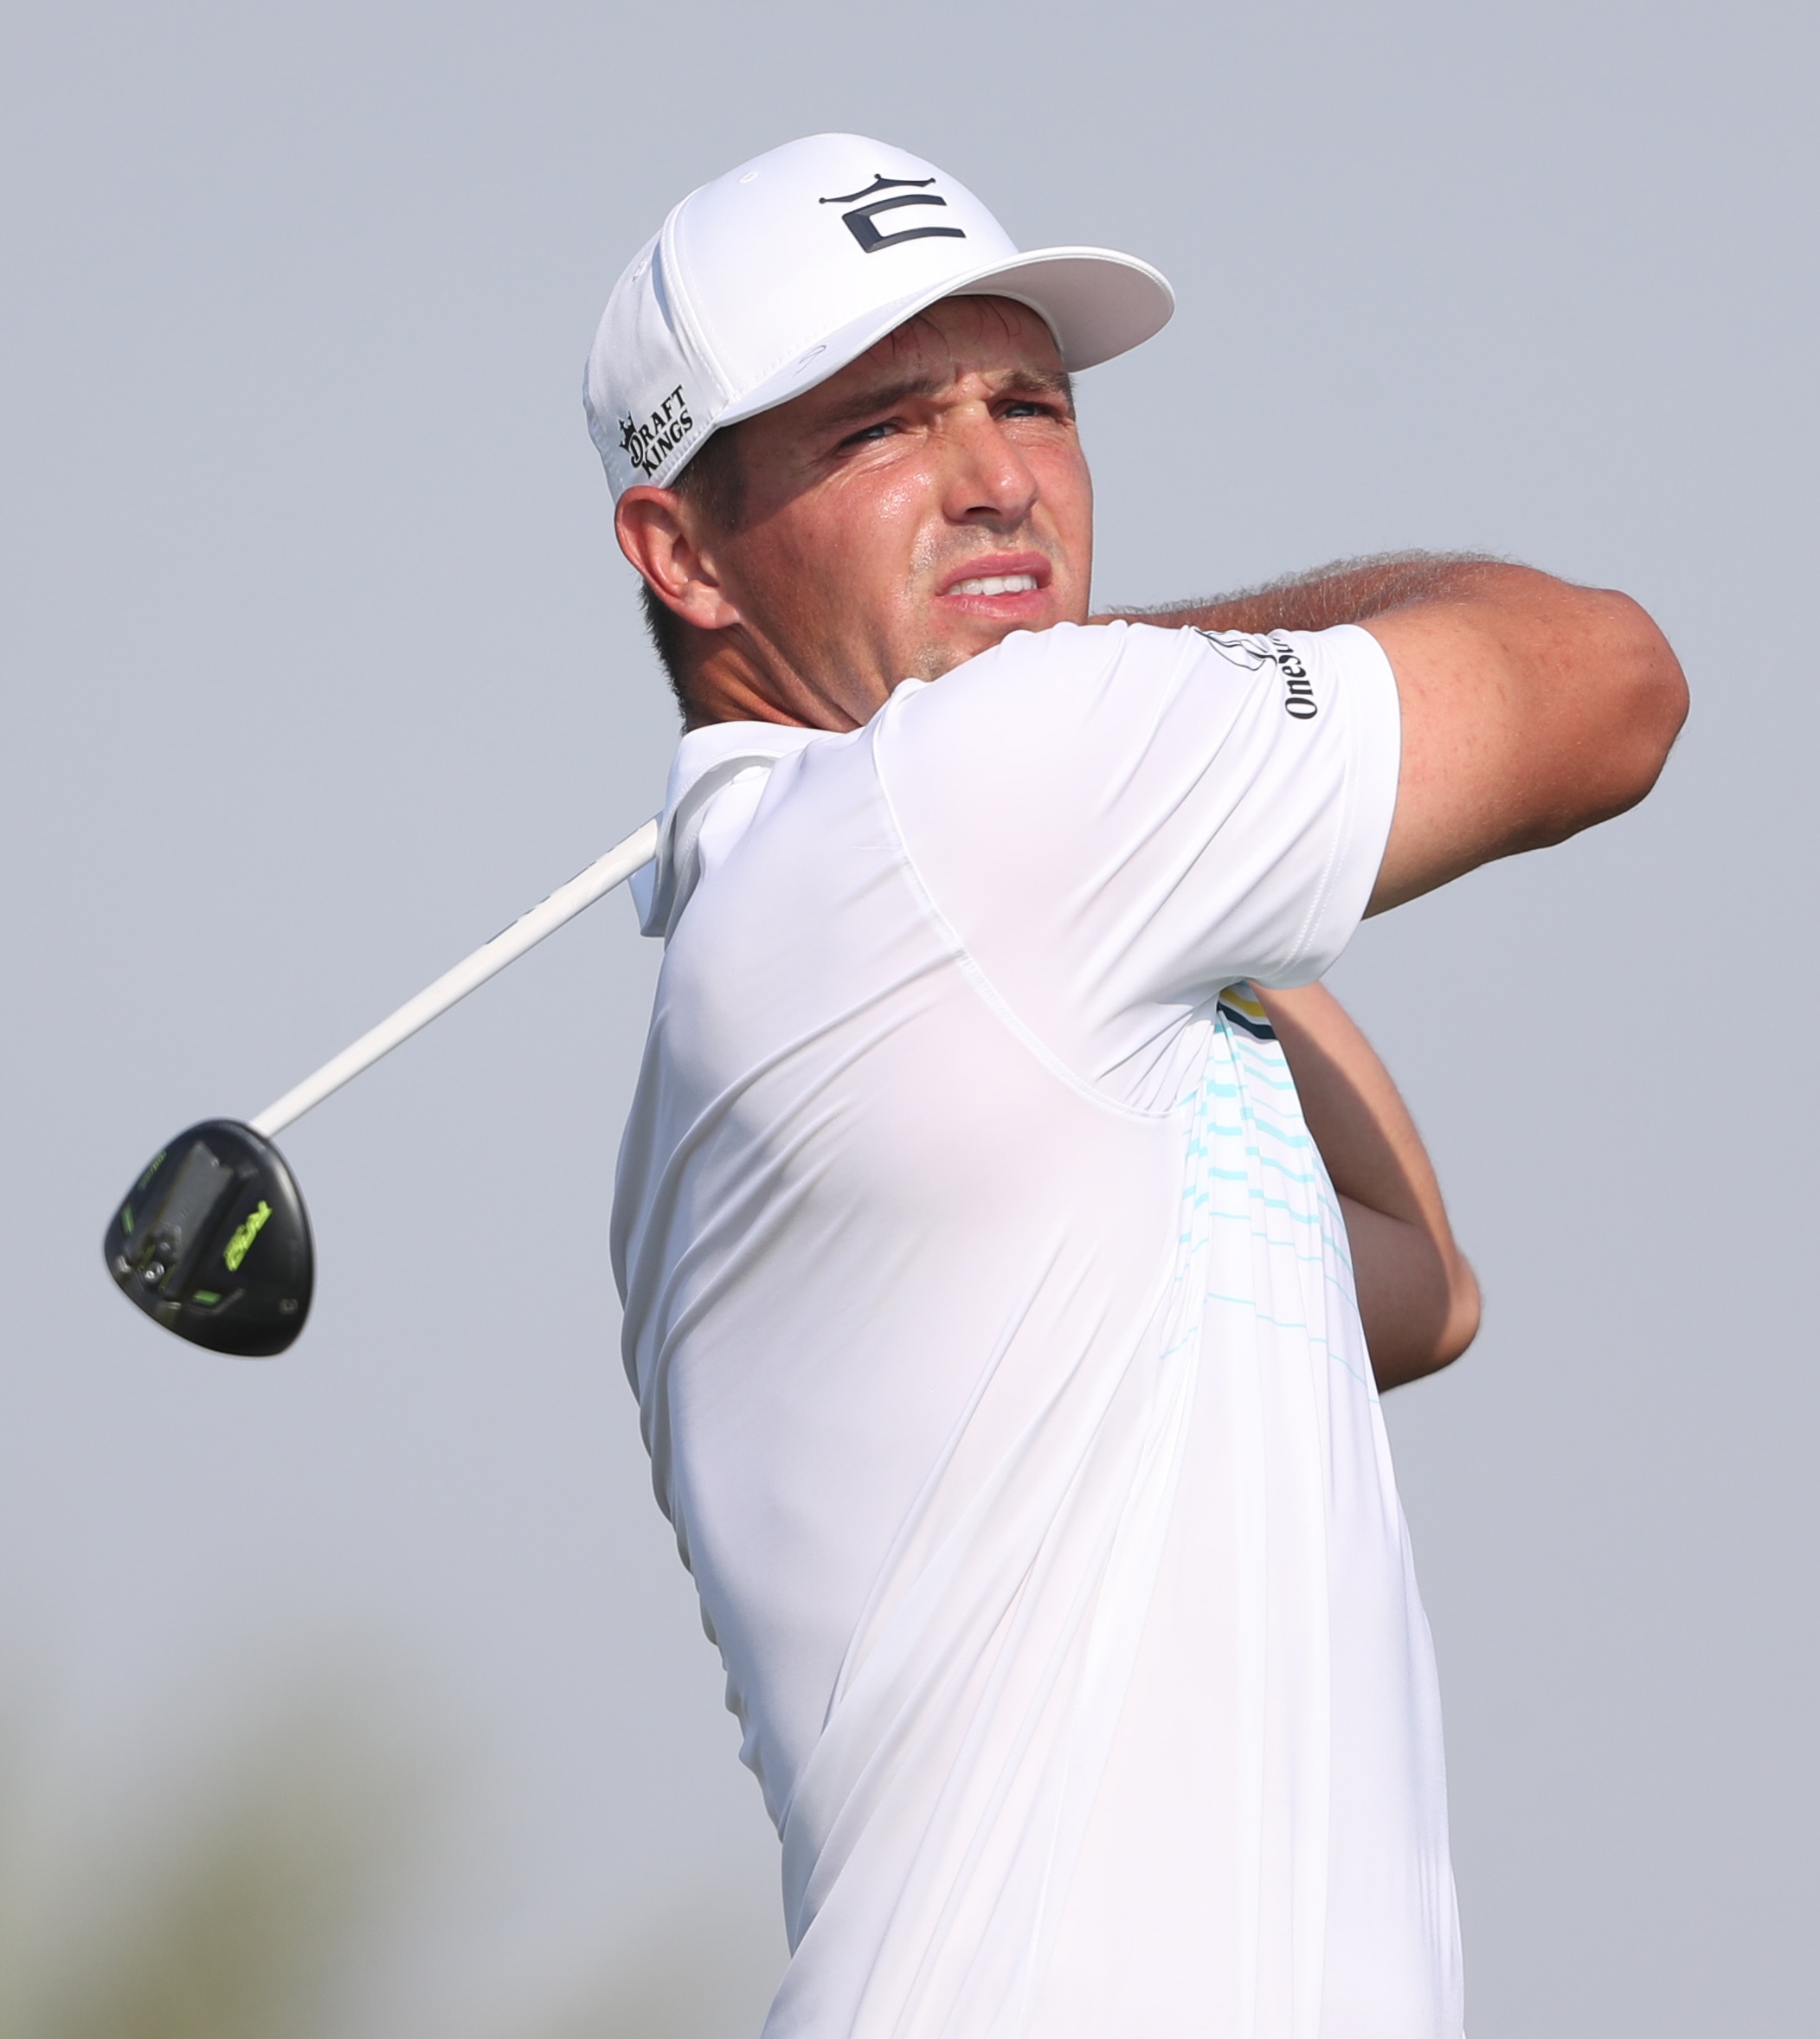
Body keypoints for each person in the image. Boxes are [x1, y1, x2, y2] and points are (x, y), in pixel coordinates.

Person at [591, 134, 1684, 2039]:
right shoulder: (971, 804)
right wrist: (1112, 659)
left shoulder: (865, 902)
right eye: (879, 431)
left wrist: (1139, 771)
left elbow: (1415, 1286)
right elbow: (1608, 680)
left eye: (1031, 401)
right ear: (682, 552)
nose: (995, 472)